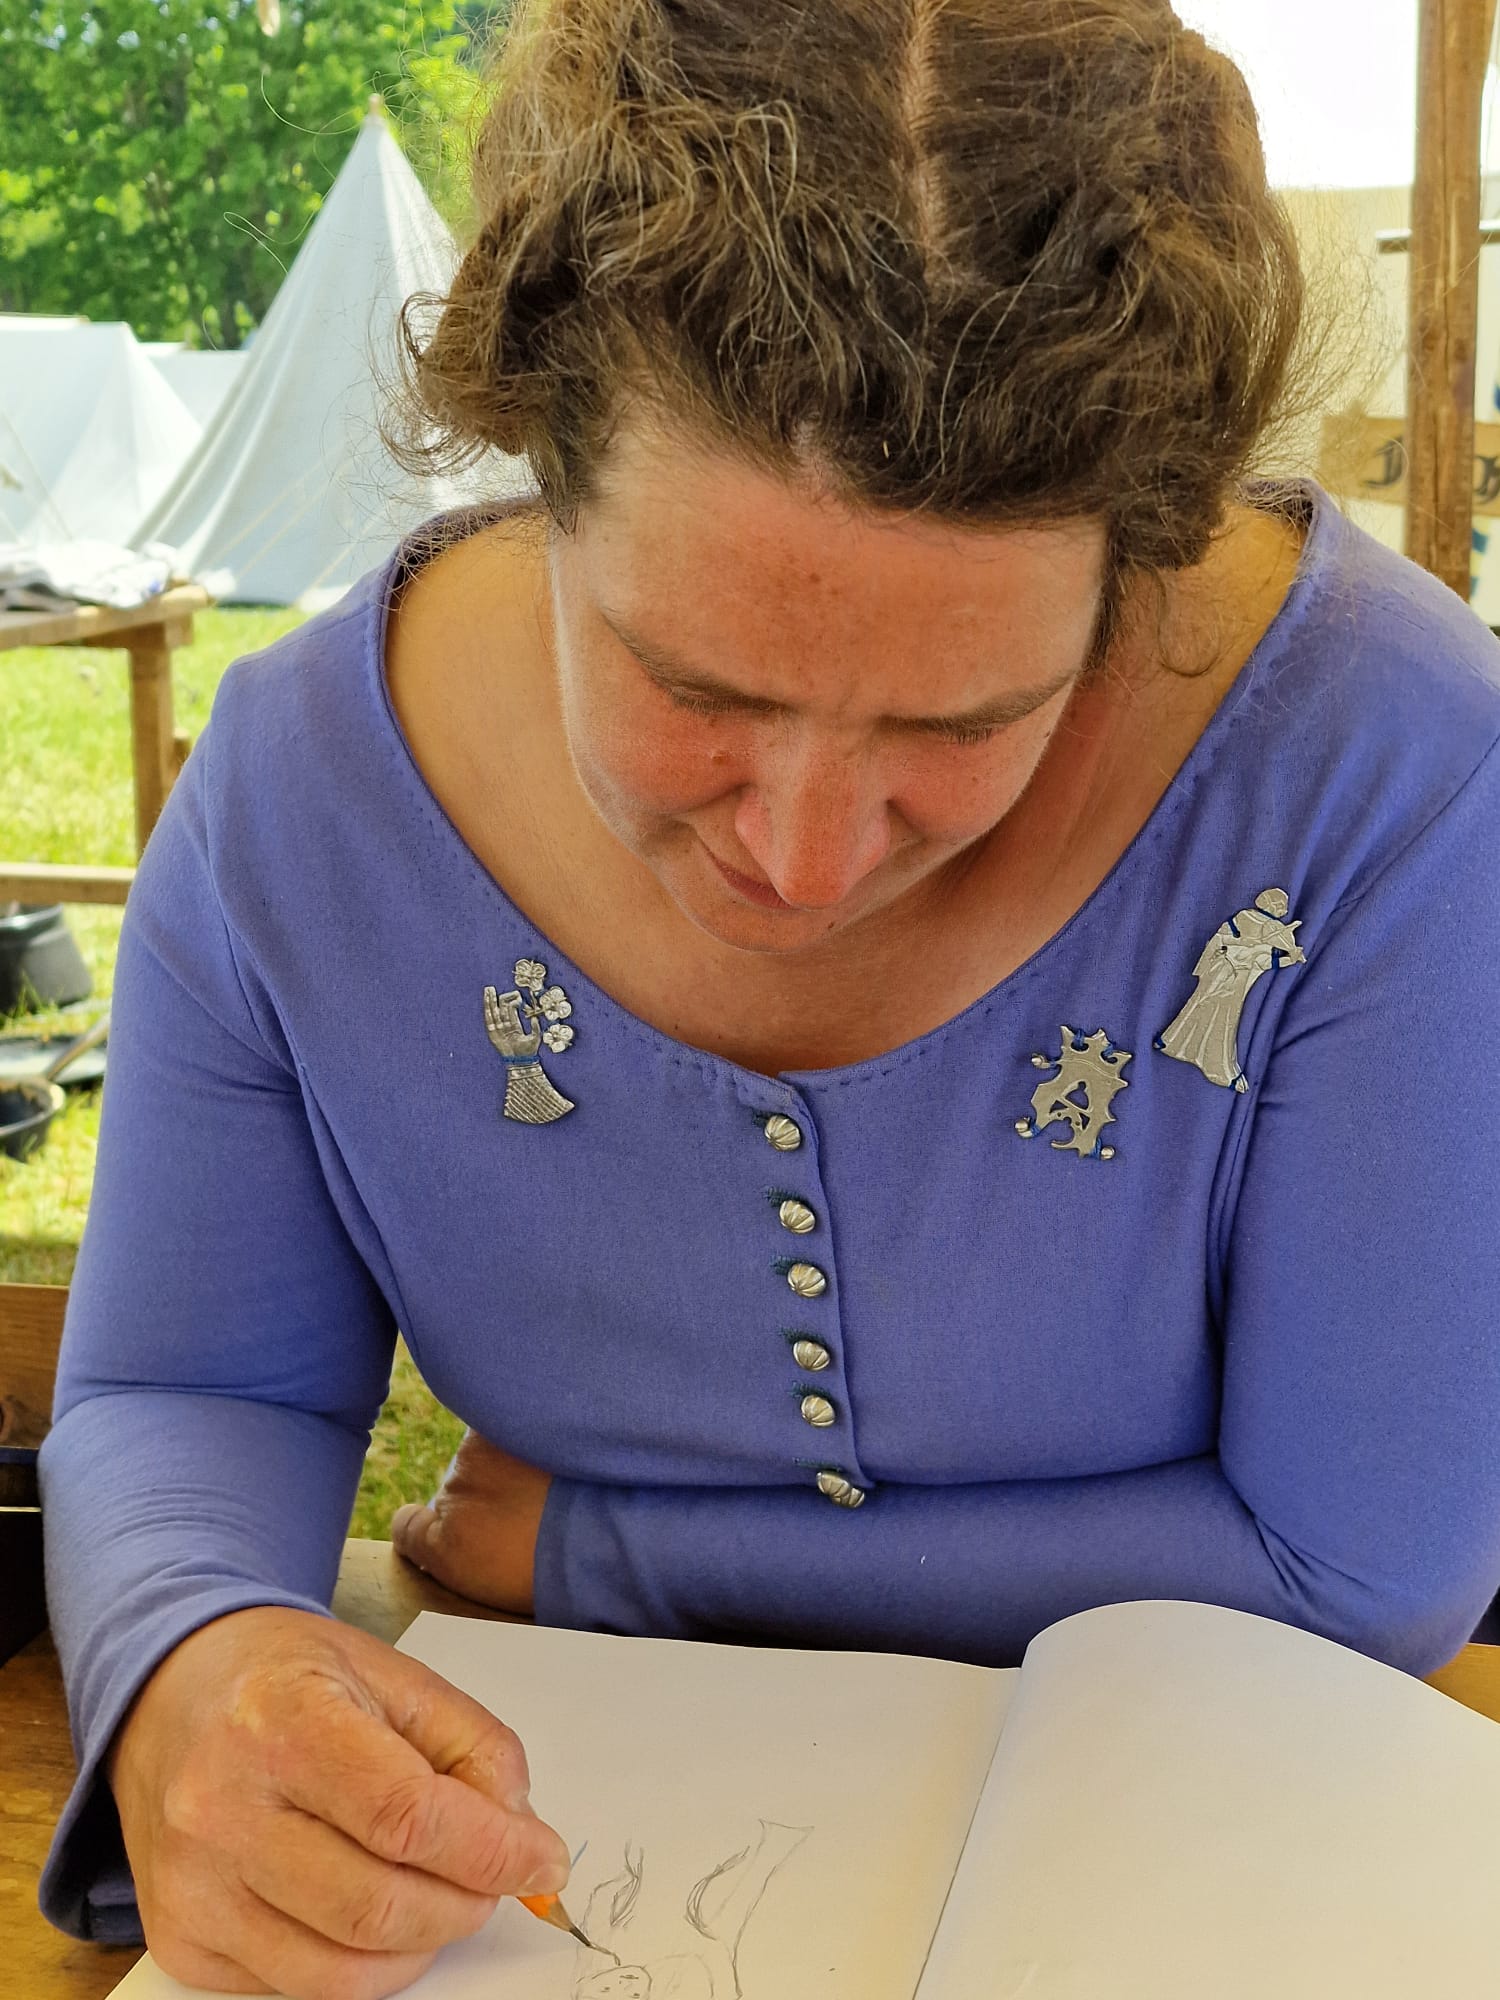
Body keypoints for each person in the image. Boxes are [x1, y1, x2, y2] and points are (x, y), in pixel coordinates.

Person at [38, 1, 1500, 1996]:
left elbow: (1362, 1567)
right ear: (536, 457)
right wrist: (195, 1659)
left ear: (1146, 559)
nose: (805, 863)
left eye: (965, 721)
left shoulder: (1395, 779)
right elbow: (189, 1386)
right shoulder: (299, 800)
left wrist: (595, 1548)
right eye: (696, 690)